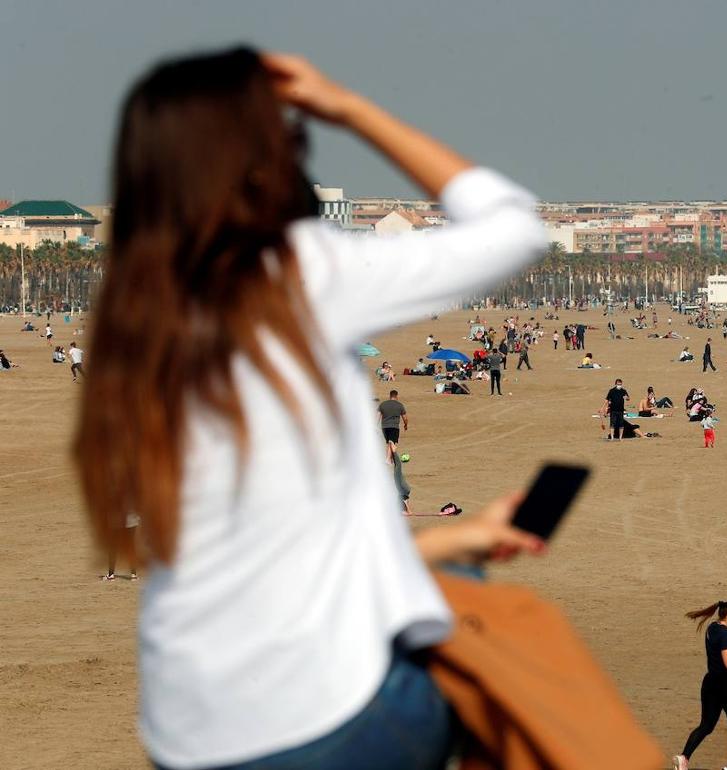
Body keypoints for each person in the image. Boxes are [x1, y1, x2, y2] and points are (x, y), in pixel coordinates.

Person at [72, 49, 548, 770]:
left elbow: (263, 564)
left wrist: (457, 540)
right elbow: (515, 227)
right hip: (324, 725)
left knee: (456, 573)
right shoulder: (298, 273)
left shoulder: (135, 310)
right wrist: (348, 108)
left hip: (185, 732)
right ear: (264, 156)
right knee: (494, 627)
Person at [673, 600, 727, 770]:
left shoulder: (712, 628)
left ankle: (684, 757)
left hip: (710, 683)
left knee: (706, 725)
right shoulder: (725, 636)